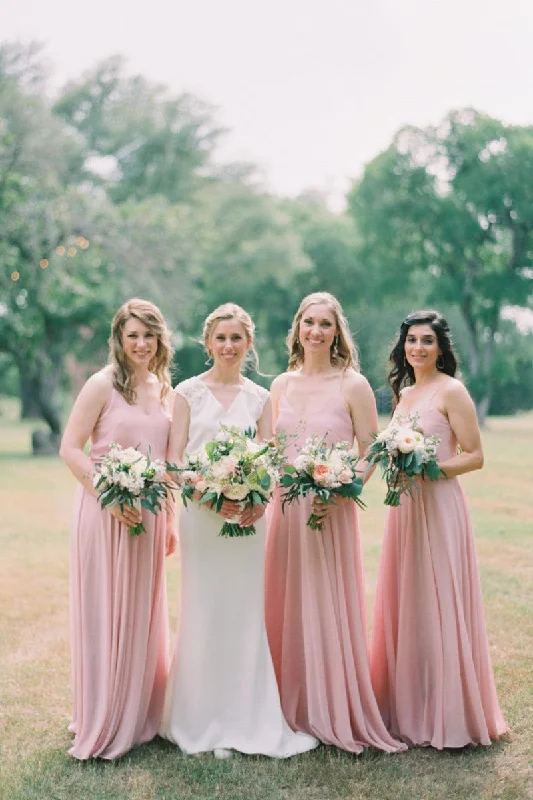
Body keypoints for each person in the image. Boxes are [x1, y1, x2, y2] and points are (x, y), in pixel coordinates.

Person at [159, 302, 317, 759]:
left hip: (248, 521)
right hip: (201, 518)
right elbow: (173, 461)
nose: (228, 346)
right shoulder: (187, 392)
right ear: (207, 343)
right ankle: (198, 718)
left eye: (237, 338)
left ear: (249, 344)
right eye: (220, 338)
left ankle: (246, 716)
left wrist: (256, 498)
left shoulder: (260, 397)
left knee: (244, 611)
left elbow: (271, 459)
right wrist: (210, 495)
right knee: (204, 608)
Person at [264, 291, 406, 754]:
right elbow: (268, 452)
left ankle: (333, 705)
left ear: (337, 331)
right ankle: (285, 707)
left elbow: (372, 451)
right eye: (309, 322)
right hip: (284, 509)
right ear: (297, 329)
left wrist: (344, 490)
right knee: (284, 601)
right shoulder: (280, 385)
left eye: (325, 324)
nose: (316, 332)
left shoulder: (354, 385)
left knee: (326, 601)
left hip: (330, 509)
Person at [370, 309, 508, 749]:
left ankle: (449, 710)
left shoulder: (453, 391)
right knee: (408, 598)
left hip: (440, 505)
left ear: (441, 348)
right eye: (411, 340)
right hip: (405, 510)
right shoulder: (405, 394)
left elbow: (475, 454)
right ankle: (409, 703)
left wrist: (432, 470)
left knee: (440, 596)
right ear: (402, 346)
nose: (417, 348)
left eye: (427, 341)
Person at [60, 298, 176, 760]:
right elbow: (71, 448)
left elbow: (165, 461)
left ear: (160, 339)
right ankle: (103, 715)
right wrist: (108, 497)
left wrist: (170, 521)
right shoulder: (101, 384)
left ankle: (140, 712)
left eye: (149, 335)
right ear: (119, 339)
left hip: (149, 514)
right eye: (133, 335)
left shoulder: (163, 388)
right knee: (106, 611)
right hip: (104, 513)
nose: (142, 343)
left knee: (142, 612)